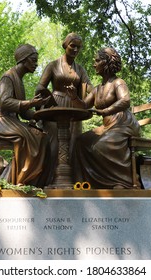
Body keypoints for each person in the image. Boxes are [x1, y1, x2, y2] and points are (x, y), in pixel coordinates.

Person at [0, 44, 50, 187]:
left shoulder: (19, 80)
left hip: (7, 121)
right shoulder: (8, 77)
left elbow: (23, 113)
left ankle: (23, 179)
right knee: (24, 137)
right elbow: (5, 102)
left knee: (39, 135)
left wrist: (40, 113)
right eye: (33, 60)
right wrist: (30, 103)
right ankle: (19, 180)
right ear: (23, 59)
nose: (36, 64)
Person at [73, 47, 141, 189]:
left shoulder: (118, 82)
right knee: (80, 141)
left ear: (106, 62)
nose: (94, 64)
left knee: (101, 146)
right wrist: (73, 95)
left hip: (123, 124)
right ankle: (86, 183)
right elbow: (84, 105)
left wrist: (106, 111)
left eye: (97, 61)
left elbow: (125, 100)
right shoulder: (98, 88)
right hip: (107, 126)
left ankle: (124, 181)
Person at [35, 33, 93, 183]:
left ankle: (71, 180)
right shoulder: (53, 65)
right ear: (65, 45)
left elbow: (90, 88)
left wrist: (92, 96)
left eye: (78, 47)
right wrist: (47, 100)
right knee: (54, 143)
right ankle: (50, 180)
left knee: (74, 143)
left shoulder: (80, 69)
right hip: (56, 105)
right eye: (72, 45)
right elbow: (40, 87)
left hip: (74, 107)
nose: (75, 49)